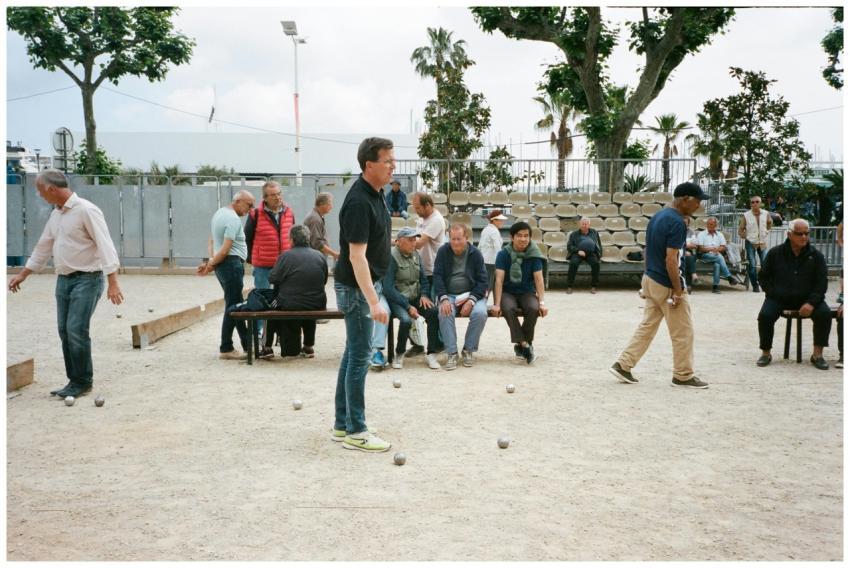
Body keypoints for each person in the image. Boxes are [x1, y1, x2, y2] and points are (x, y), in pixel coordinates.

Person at [8, 169, 124, 398]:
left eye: (40, 191)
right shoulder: (56, 215)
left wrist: (113, 282)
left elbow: (105, 245)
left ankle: (82, 381)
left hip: (87, 279)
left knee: (76, 330)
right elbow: (43, 247)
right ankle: (74, 380)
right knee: (64, 331)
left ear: (51, 189)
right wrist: (24, 274)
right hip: (63, 279)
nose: (40, 195)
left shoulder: (87, 211)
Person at [609, 181, 709, 388]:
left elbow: (649, 251)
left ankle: (623, 364)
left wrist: (648, 276)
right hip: (666, 282)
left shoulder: (659, 216)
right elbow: (672, 260)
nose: (699, 205)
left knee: (647, 326)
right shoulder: (677, 222)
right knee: (683, 331)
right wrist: (678, 290)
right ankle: (683, 375)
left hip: (651, 278)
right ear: (685, 199)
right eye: (697, 201)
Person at [332, 137, 394, 453]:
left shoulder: (376, 194)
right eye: (387, 160)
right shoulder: (358, 201)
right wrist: (373, 300)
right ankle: (356, 429)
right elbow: (357, 257)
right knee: (360, 356)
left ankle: (343, 424)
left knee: (352, 353)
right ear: (369, 165)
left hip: (363, 286)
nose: (392, 165)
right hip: (356, 290)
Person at [756, 219, 831, 370]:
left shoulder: (816, 256)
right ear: (789, 234)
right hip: (779, 298)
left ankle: (817, 355)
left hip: (808, 299)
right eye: (799, 234)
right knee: (765, 316)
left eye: (806, 233)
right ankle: (766, 353)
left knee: (824, 314)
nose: (804, 237)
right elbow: (763, 277)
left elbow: (821, 284)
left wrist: (811, 303)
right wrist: (773, 293)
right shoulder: (775, 253)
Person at [197, 190, 256, 360]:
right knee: (233, 307)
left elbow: (212, 241)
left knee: (235, 304)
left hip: (224, 265)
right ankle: (226, 347)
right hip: (230, 264)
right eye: (249, 205)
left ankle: (247, 344)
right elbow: (225, 248)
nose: (250, 209)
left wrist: (211, 262)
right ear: (237, 201)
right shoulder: (232, 219)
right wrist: (211, 264)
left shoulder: (219, 214)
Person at [375, 227, 441, 370]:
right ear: (399, 242)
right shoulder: (391, 257)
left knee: (433, 312)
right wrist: (407, 306)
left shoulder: (416, 254)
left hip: (416, 296)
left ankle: (431, 353)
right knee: (405, 320)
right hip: (398, 299)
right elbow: (388, 289)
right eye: (410, 240)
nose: (414, 243)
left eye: (415, 240)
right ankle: (399, 353)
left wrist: (424, 295)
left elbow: (424, 279)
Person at [244, 180, 295, 356]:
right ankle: (261, 339)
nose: (278, 197)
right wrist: (252, 258)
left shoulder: (289, 212)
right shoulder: (255, 214)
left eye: (279, 193)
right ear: (265, 198)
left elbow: (292, 237)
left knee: (283, 301)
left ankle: (281, 336)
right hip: (263, 266)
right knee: (262, 303)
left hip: (285, 266)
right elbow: (247, 238)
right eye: (273, 195)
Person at [433, 224, 489, 370]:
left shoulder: (475, 253)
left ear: (466, 238)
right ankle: (452, 352)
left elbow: (483, 281)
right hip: (450, 294)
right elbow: (437, 276)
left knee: (481, 313)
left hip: (472, 294)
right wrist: (443, 298)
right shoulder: (443, 251)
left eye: (459, 239)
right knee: (444, 312)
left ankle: (468, 350)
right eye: (453, 239)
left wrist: (471, 300)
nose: (456, 242)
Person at [491, 221, 548, 364]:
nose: (523, 239)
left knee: (533, 308)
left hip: (527, 292)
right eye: (519, 236)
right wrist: (497, 304)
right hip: (508, 292)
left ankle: (521, 344)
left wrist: (542, 303)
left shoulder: (534, 254)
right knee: (508, 308)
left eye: (526, 236)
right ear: (512, 237)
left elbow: (539, 280)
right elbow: (498, 280)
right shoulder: (503, 254)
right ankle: (525, 344)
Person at [268, 225, 328, 358]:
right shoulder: (319, 256)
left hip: (290, 304)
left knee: (272, 306)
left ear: (292, 240)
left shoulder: (285, 256)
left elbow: (273, 278)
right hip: (316, 303)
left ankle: (271, 347)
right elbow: (323, 280)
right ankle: (308, 346)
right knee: (307, 304)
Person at [695, 216, 743, 293]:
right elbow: (701, 248)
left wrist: (717, 250)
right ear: (706, 225)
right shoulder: (701, 234)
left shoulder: (719, 234)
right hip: (704, 255)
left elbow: (723, 247)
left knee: (717, 264)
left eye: (712, 224)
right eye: (709, 224)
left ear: (716, 225)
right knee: (719, 257)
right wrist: (712, 249)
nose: (710, 226)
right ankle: (729, 277)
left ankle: (715, 287)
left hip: (716, 254)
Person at [412, 191, 447, 294]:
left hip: (431, 270)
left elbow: (418, 244)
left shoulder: (436, 220)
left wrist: (396, 242)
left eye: (418, 208)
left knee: (429, 304)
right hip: (420, 267)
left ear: (427, 205)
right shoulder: (422, 217)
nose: (416, 211)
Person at [738, 195, 773, 293]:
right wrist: (746, 236)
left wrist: (767, 231)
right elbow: (740, 229)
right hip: (751, 243)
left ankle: (764, 284)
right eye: (752, 202)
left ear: (760, 203)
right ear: (750, 204)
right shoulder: (746, 215)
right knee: (752, 265)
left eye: (757, 201)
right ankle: (755, 285)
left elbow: (770, 223)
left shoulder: (766, 213)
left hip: (762, 242)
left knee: (765, 264)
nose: (755, 204)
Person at [565, 216, 602, 294]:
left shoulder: (594, 232)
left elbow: (598, 244)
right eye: (583, 224)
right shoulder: (574, 234)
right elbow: (569, 246)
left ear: (589, 225)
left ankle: (594, 286)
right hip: (578, 253)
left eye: (586, 224)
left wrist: (599, 253)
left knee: (596, 263)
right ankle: (569, 286)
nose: (584, 226)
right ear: (580, 224)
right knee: (573, 263)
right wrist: (578, 251)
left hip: (591, 253)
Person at [478, 209, 507, 299]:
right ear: (494, 221)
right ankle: (483, 303)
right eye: (500, 220)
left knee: (490, 286)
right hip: (492, 263)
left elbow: (479, 247)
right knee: (489, 286)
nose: (503, 222)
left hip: (486, 262)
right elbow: (498, 249)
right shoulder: (494, 231)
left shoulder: (486, 229)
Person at [303, 192, 340, 261]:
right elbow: (317, 243)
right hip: (314, 259)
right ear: (321, 204)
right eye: (330, 203)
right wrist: (334, 254)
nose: (332, 207)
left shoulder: (316, 216)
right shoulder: (315, 219)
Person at [682, 216, 700, 293]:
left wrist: (685, 246)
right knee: (688, 257)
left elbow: (695, 245)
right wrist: (684, 248)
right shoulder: (676, 231)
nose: (684, 224)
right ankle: (693, 276)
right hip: (677, 251)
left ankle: (687, 285)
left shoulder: (691, 232)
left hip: (689, 251)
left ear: (688, 224)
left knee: (688, 258)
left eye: (686, 223)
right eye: (683, 223)